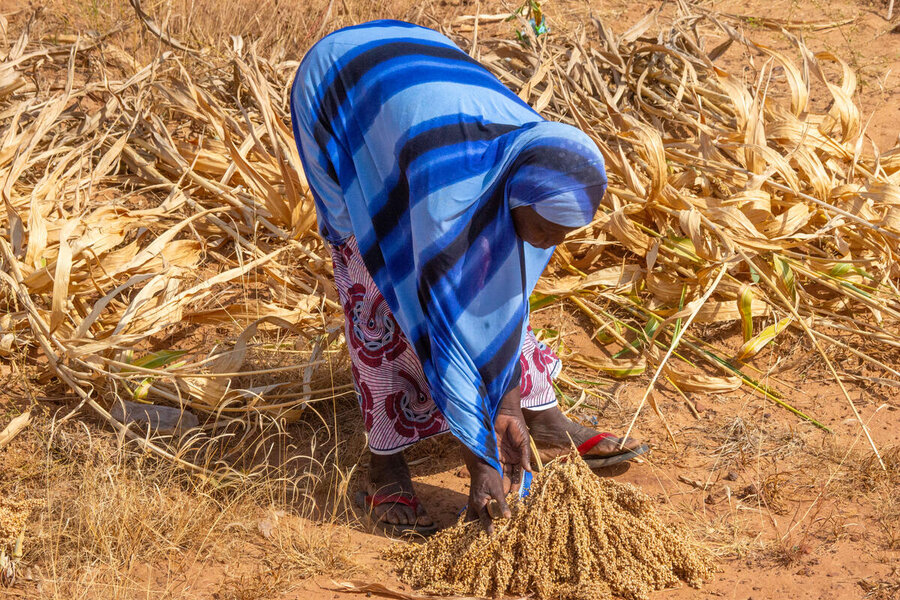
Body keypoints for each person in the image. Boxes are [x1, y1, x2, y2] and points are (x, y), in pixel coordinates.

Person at [290, 19, 648, 535]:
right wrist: (482, 464)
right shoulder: (443, 202)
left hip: (421, 90)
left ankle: (538, 412)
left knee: (502, 272)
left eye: (566, 233)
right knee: (375, 288)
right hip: (341, 91)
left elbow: (504, 295)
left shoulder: (542, 153)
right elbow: (445, 327)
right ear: (519, 198)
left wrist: (506, 405)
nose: (553, 243)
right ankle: (385, 461)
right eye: (548, 228)